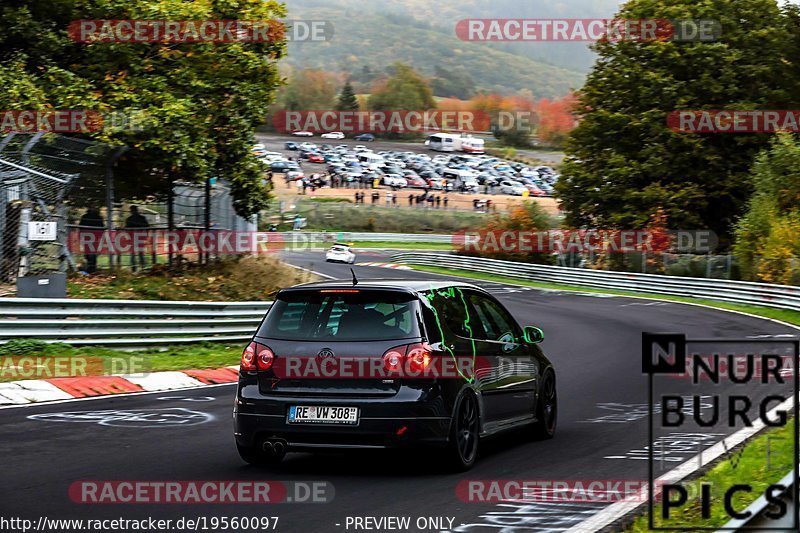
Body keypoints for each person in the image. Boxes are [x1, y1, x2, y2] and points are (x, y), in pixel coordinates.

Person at [78, 207, 104, 273]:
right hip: (93, 236)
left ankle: (91, 266)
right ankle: (92, 267)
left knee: (89, 252)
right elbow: (102, 228)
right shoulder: (98, 217)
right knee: (92, 252)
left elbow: (80, 227)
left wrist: (80, 236)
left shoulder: (85, 217)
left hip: (87, 236)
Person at [124, 206, 150, 272]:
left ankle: (134, 269)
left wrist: (128, 238)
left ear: (131, 211)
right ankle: (143, 267)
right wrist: (146, 235)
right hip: (140, 237)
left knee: (133, 254)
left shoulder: (129, 219)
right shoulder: (142, 218)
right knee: (141, 253)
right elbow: (147, 227)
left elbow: (126, 230)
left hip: (133, 238)